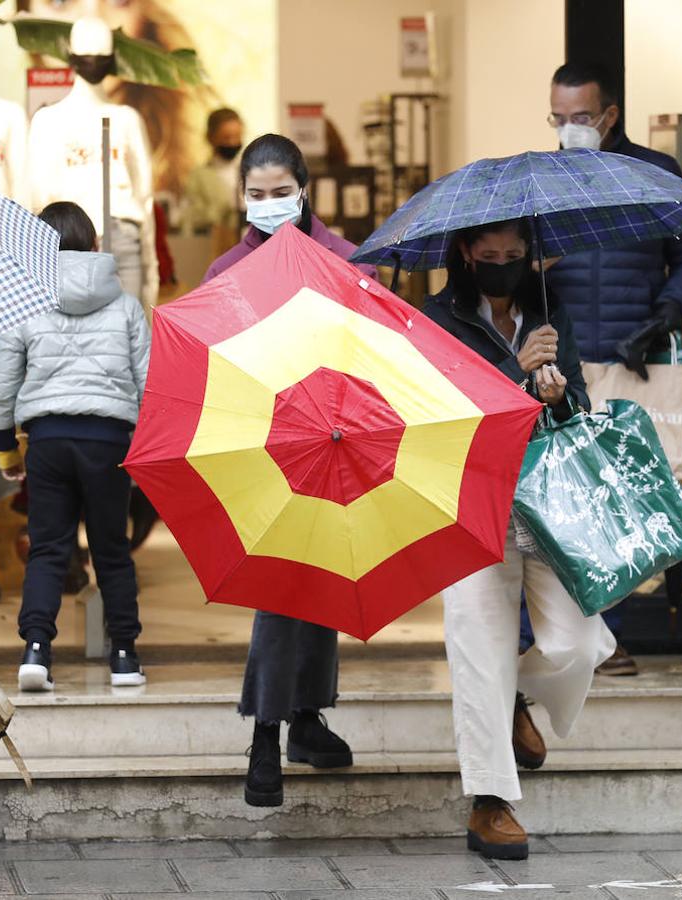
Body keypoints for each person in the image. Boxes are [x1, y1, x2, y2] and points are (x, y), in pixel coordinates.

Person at [423, 217, 615, 861]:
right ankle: (489, 805)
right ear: (465, 255)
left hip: (548, 503)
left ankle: (515, 698)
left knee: (579, 642)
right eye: (490, 255)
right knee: (479, 650)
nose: (503, 264)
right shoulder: (436, 318)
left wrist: (558, 397)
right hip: (471, 504)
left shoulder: (547, 310)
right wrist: (515, 371)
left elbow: (578, 406)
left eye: (514, 255)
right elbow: (441, 417)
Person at [203, 134, 377, 808]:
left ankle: (304, 718)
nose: (268, 204)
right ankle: (266, 732)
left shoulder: (343, 261)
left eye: (280, 192)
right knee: (279, 585)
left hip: (336, 438)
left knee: (323, 578)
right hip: (259, 444)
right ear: (239, 196)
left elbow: (370, 346)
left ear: (304, 189)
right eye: (256, 194)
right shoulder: (226, 271)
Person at [545, 61, 682, 676]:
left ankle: (610, 637)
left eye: (581, 118)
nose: (569, 130)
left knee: (620, 502)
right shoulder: (543, 183)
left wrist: (665, 316)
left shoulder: (654, 174)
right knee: (560, 502)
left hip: (629, 359)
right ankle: (562, 637)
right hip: (559, 363)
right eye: (558, 119)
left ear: (609, 116)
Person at [0, 201, 150, 691]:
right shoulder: (125, 305)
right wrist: (142, 450)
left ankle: (36, 650)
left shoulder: (24, 302)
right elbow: (149, 382)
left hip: (49, 441)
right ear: (97, 246)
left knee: (49, 550)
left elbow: (1, 387)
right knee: (112, 550)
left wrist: (6, 452)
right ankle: (123, 655)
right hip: (109, 441)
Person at [184, 108, 243, 238]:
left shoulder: (249, 171)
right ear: (211, 137)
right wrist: (226, 207)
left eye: (237, 137)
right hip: (216, 244)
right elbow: (195, 218)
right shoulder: (199, 176)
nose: (232, 143)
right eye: (226, 138)